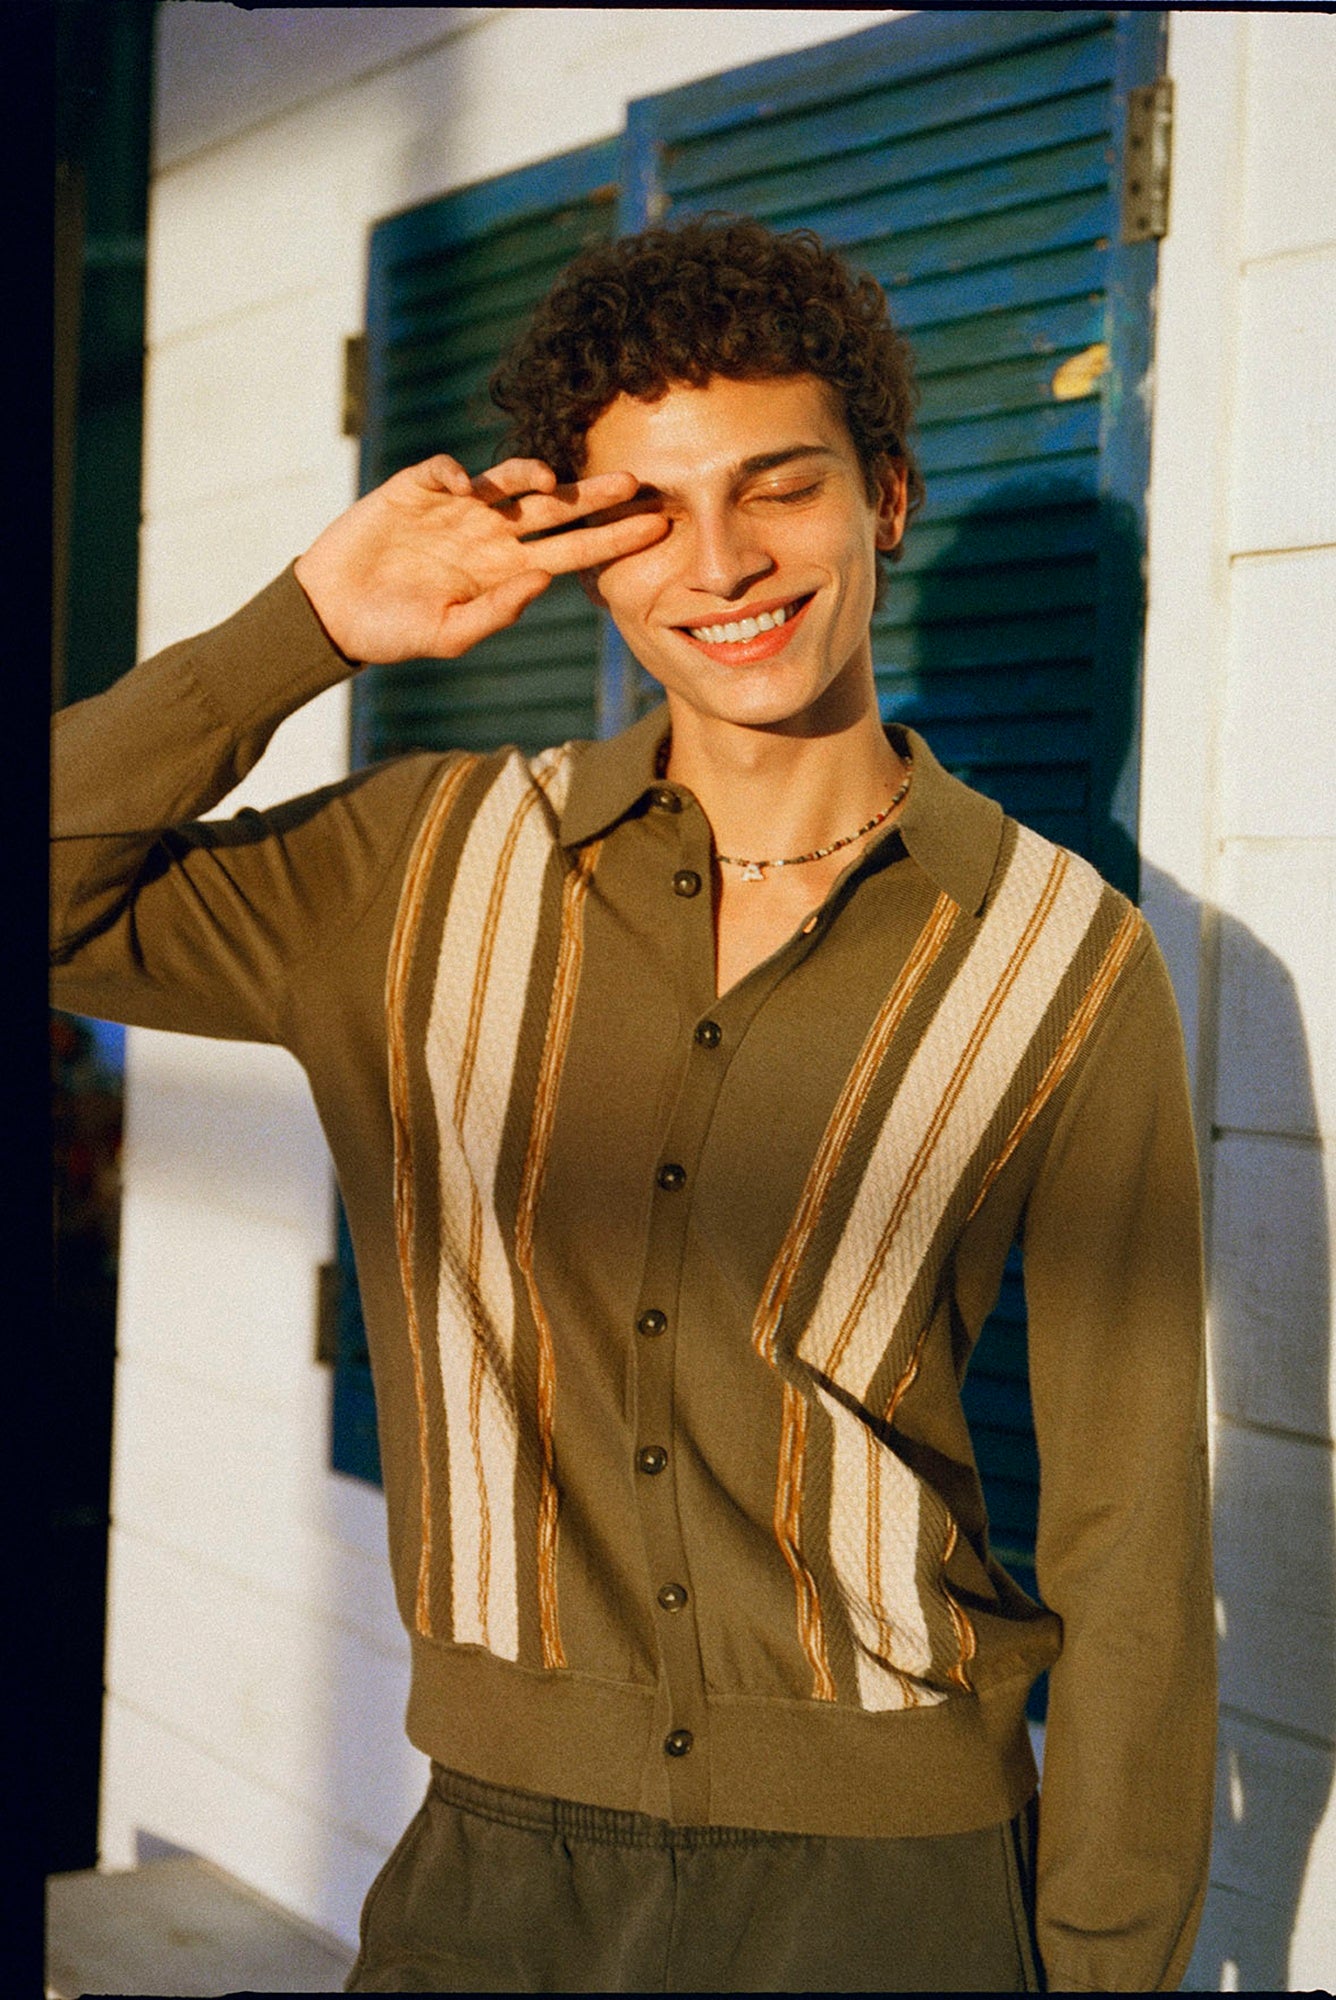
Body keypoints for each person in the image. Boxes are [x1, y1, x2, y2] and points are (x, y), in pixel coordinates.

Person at [51, 219, 1214, 1992]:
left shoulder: (1068, 956)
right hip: (494, 1887)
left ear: (883, 498)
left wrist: (1113, 1969)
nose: (726, 561)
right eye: (650, 509)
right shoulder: (415, 867)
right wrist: (307, 629)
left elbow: (1132, 1540)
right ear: (576, 550)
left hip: (898, 1897)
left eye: (781, 486)